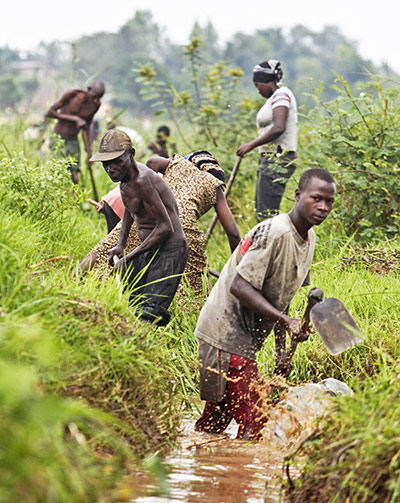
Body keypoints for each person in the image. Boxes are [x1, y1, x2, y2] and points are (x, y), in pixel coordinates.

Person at [193, 168, 336, 440]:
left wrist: (281, 350)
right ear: (297, 196)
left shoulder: (308, 238)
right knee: (257, 423)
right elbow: (239, 286)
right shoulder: (277, 233)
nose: (323, 207)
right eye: (316, 198)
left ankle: (209, 470)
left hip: (242, 338)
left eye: (329, 202)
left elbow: (282, 296)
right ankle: (242, 476)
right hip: (225, 333)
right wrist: (286, 322)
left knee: (213, 424)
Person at [80, 151, 241, 299]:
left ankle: (76, 285)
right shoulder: (215, 185)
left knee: (103, 252)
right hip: (182, 230)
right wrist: (238, 270)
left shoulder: (176, 164)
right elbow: (233, 233)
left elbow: (151, 162)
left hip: (145, 213)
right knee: (185, 291)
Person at [89, 128, 188, 326]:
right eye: (106, 164)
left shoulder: (143, 180)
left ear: (131, 155)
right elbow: (130, 208)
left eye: (117, 161)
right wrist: (121, 244)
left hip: (169, 250)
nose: (111, 169)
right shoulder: (125, 179)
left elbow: (165, 228)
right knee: (132, 302)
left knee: (149, 312)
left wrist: (130, 255)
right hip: (150, 247)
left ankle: (147, 350)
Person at [237, 60, 298, 220]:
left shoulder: (281, 95)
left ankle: (270, 244)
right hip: (271, 159)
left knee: (266, 215)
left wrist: (251, 145)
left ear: (266, 82)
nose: (258, 91)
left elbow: (279, 127)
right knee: (263, 212)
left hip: (277, 160)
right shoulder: (276, 97)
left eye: (258, 86)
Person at [46, 80, 105, 184]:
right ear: (89, 89)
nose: (95, 99)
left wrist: (89, 151)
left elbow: (86, 126)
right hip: (58, 137)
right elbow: (50, 112)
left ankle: (74, 197)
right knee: (59, 169)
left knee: (75, 174)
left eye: (98, 97)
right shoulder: (73, 95)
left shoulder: (95, 104)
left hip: (73, 139)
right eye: (94, 96)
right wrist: (75, 119)